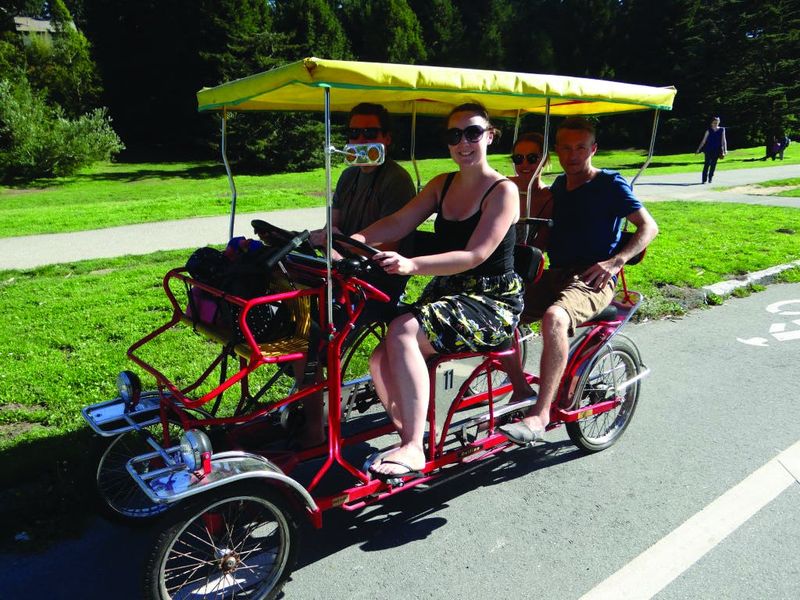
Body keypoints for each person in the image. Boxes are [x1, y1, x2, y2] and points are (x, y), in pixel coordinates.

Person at [351, 102, 523, 478]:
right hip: (450, 290)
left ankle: (413, 447)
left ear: (490, 136)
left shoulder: (503, 191)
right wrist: (352, 240)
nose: (464, 142)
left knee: (403, 331)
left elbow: (475, 255)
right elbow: (398, 221)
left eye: (473, 132)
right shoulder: (440, 183)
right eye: (454, 135)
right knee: (380, 357)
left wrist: (412, 265)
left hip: (492, 298)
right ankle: (410, 436)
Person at [498, 116, 658, 445]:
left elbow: (648, 227)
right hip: (555, 272)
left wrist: (615, 262)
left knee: (556, 318)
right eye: (566, 148)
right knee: (500, 310)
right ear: (556, 151)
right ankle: (520, 388)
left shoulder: (610, 183)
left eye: (581, 148)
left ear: (593, 149)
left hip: (593, 277)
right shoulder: (559, 187)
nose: (573, 156)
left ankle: (540, 417)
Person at [297, 103, 416, 448]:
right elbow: (333, 222)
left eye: (370, 133)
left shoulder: (397, 181)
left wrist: (340, 246)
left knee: (315, 336)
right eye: (354, 133)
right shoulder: (349, 175)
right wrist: (326, 237)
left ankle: (315, 424)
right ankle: (305, 401)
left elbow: (389, 242)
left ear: (387, 138)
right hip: (342, 273)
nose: (360, 140)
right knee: (288, 309)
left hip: (376, 282)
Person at [510, 132, 553, 250]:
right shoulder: (502, 187)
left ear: (544, 160)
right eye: (518, 158)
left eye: (532, 158)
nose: (524, 164)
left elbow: (540, 246)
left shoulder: (548, 199)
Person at [695, 116, 727, 183]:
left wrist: (725, 150)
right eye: (714, 122)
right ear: (711, 123)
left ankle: (710, 178)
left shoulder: (722, 129)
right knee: (707, 164)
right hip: (708, 150)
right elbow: (704, 141)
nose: (716, 124)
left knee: (713, 165)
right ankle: (704, 179)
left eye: (717, 122)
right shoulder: (708, 130)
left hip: (717, 150)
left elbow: (723, 140)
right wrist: (698, 149)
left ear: (719, 122)